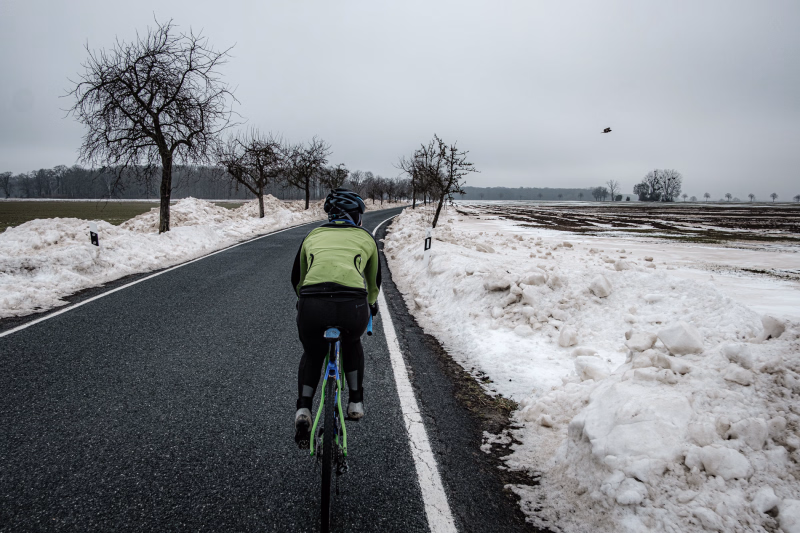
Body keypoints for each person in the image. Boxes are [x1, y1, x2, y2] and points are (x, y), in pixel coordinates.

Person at [291, 188, 380, 448]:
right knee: (352, 343)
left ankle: (304, 408)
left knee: (312, 351)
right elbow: (373, 283)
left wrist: (303, 300)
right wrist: (371, 305)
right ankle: (355, 401)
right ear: (355, 216)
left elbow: (297, 278)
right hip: (352, 306)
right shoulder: (366, 238)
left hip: (312, 304)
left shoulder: (313, 235)